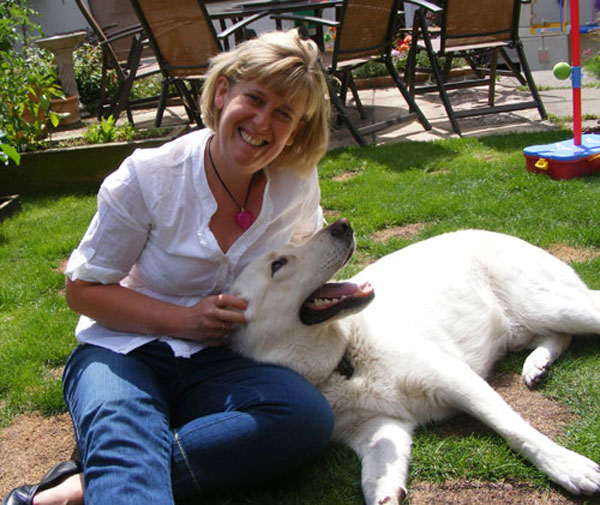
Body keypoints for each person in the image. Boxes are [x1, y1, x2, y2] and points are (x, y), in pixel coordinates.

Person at [3, 28, 332, 505]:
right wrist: (184, 320)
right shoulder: (148, 177)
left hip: (224, 360)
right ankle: (120, 464)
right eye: (254, 99)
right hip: (123, 351)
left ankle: (79, 488)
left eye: (283, 114)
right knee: (126, 440)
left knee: (305, 417)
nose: (262, 123)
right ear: (223, 93)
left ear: (297, 128)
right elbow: (81, 290)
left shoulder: (296, 184)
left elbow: (300, 265)